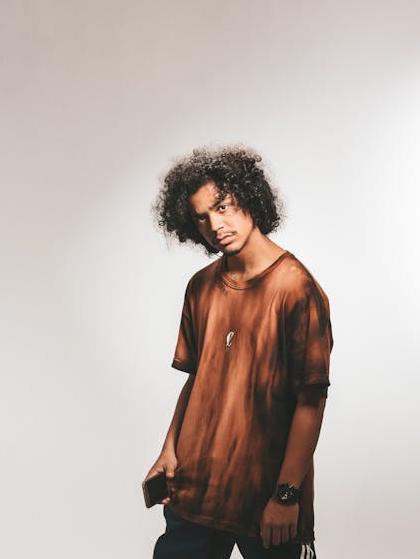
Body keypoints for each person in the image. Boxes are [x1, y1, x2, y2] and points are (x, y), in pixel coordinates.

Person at [146, 145, 333, 559]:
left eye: (223, 206)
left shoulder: (296, 289)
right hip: (195, 492)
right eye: (202, 216)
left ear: (248, 197)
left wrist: (287, 497)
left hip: (266, 501)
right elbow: (199, 378)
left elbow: (311, 402)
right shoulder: (200, 286)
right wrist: (169, 449)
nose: (216, 225)